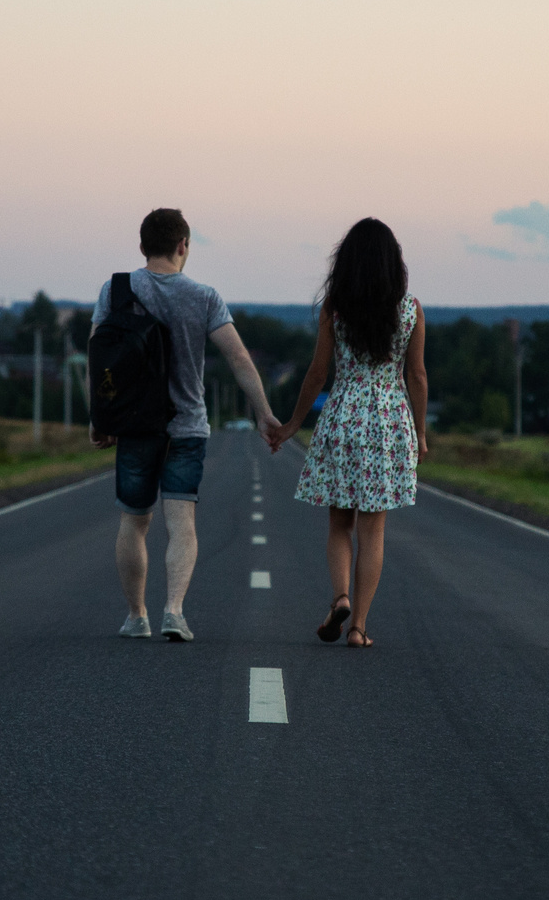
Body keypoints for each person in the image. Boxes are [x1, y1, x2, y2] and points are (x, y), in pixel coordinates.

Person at [95, 208, 285, 642]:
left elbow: (97, 356)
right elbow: (239, 358)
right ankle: (174, 612)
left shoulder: (115, 289)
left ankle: (135, 616)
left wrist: (101, 419)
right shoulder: (204, 296)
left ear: (142, 247)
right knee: (182, 522)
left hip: (134, 425)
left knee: (134, 521)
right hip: (186, 427)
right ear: (183, 245)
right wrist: (263, 413)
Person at [264, 218, 427, 648]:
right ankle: (359, 628)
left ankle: (340, 598)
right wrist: (422, 434)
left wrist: (292, 424)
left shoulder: (335, 306)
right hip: (390, 422)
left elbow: (318, 373)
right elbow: (417, 376)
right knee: (374, 529)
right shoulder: (410, 309)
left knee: (340, 523)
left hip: (344, 417)